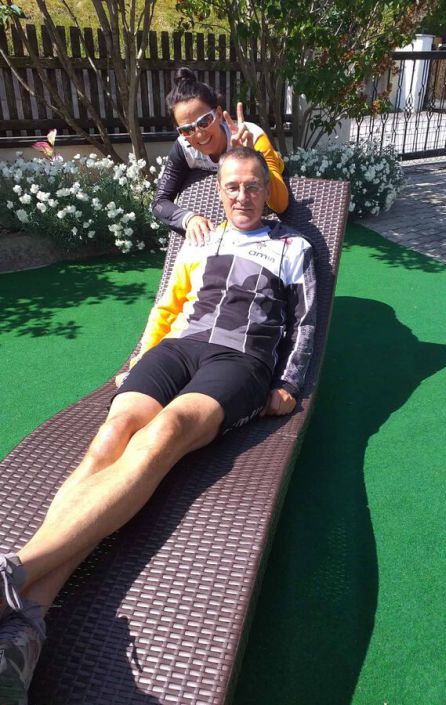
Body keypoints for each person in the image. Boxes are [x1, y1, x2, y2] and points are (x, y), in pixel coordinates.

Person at [0, 146, 315, 704]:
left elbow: (307, 323)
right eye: (232, 186)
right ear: (218, 190)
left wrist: (288, 382)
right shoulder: (201, 239)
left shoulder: (293, 247)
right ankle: (25, 627)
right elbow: (168, 305)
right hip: (177, 349)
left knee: (164, 433)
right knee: (110, 437)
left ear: (268, 191)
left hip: (240, 360)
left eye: (252, 186)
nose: (242, 195)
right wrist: (139, 356)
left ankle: (16, 575)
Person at [152, 66, 289, 245]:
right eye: (187, 129)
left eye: (204, 121)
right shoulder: (184, 148)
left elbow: (280, 205)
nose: (199, 134)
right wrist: (189, 219)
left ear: (218, 114)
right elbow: (159, 202)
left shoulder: (252, 137)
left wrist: (254, 156)